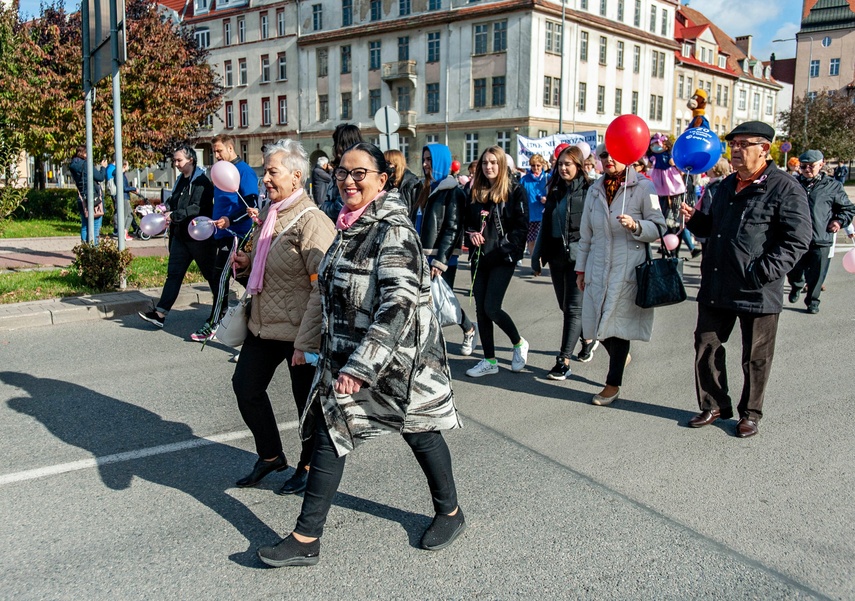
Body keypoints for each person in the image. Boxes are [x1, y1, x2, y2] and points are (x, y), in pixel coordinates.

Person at [256, 143, 465, 568]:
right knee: (332, 434)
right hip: (347, 360)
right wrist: (305, 343)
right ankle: (306, 536)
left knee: (420, 431)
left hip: (399, 365)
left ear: (382, 179)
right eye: (341, 174)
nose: (348, 181)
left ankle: (450, 512)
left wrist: (362, 364)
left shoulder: (394, 230)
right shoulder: (349, 225)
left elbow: (398, 304)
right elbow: (325, 290)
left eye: (359, 173)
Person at [680, 121, 811, 438]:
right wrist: (696, 220)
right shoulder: (725, 184)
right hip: (718, 282)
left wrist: (762, 272)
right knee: (706, 346)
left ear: (764, 149)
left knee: (756, 357)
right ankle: (713, 405)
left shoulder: (784, 187)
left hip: (757, 289)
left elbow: (798, 240)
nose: (735, 150)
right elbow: (715, 228)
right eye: (733, 144)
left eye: (743, 144)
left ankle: (750, 414)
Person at [230, 139, 335, 495]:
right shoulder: (271, 213)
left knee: (305, 405)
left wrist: (308, 342)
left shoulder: (313, 221)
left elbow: (324, 286)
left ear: (296, 176)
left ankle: (308, 464)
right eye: (264, 172)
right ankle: (271, 455)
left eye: (272, 171)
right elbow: (265, 272)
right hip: (264, 324)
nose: (265, 179)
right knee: (245, 387)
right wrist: (244, 267)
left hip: (298, 332)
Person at [576, 143, 665, 405]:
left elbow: (659, 228)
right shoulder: (594, 189)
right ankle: (620, 357)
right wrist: (580, 269)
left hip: (628, 267)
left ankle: (612, 384)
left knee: (619, 327)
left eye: (615, 154)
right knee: (594, 327)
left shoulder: (644, 187)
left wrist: (637, 225)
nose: (609, 159)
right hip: (597, 266)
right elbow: (585, 236)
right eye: (604, 155)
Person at [532, 145, 597, 380]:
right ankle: (589, 339)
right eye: (560, 164)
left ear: (579, 166)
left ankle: (563, 361)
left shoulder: (590, 190)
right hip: (557, 257)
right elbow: (545, 225)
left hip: (580, 258)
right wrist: (537, 256)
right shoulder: (556, 190)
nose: (562, 168)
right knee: (565, 307)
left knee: (572, 310)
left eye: (567, 164)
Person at [463, 145, 529, 377]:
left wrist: (503, 247)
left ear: (501, 165)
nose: (488, 166)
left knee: (492, 307)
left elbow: (522, 228)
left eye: (493, 162)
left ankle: (518, 342)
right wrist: (470, 235)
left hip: (502, 257)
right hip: (479, 256)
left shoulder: (515, 191)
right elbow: (465, 225)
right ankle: (489, 360)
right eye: (484, 162)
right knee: (481, 311)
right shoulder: (474, 191)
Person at [139, 145, 218, 328]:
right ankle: (160, 314)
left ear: (190, 160)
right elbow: (174, 200)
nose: (175, 164)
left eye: (179, 160)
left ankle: (221, 310)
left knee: (211, 276)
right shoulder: (180, 180)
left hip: (199, 239)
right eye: (174, 160)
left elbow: (198, 208)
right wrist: (164, 207)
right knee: (173, 275)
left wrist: (174, 215)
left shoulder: (202, 182)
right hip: (180, 237)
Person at [411, 144, 477, 355]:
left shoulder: (453, 191)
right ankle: (428, 345)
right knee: (426, 302)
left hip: (441, 257)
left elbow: (452, 228)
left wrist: (441, 260)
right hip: (422, 254)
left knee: (443, 299)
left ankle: (468, 328)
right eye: (424, 159)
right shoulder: (425, 188)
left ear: (440, 161)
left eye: (430, 159)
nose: (425, 164)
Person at [194, 134, 259, 342]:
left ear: (231, 149)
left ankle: (215, 323)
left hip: (237, 234)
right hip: (221, 233)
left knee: (219, 277)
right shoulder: (220, 171)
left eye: (219, 150)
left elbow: (252, 204)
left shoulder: (244, 171)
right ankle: (259, 311)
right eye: (214, 151)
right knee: (243, 278)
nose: (216, 155)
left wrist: (230, 220)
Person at [786, 150, 854, 314]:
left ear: (821, 164)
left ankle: (812, 301)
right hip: (795, 238)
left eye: (811, 166)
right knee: (793, 270)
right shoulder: (792, 184)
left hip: (821, 238)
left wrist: (838, 221)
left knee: (817, 275)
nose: (807, 170)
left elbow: (847, 209)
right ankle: (796, 285)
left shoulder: (833, 186)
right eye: (803, 166)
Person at [320, 123, 364, 221]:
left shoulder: (348, 172)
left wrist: (322, 208)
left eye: (335, 143)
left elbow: (342, 205)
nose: (333, 148)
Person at [68, 145, 108, 244]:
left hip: (82, 197)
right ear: (84, 153)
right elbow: (100, 177)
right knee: (95, 226)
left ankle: (85, 250)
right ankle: (94, 251)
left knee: (85, 225)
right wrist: (103, 167)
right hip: (93, 198)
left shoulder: (73, 164)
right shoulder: (86, 164)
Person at [520, 154, 548, 257]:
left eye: (538, 165)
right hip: (529, 215)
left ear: (542, 165)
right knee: (531, 241)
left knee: (540, 241)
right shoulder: (524, 180)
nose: (535, 168)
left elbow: (554, 195)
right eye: (533, 166)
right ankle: (534, 263)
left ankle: (539, 261)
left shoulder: (547, 178)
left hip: (543, 215)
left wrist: (547, 199)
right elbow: (520, 196)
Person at [109, 161, 137, 241]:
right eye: (128, 165)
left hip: (123, 197)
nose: (129, 167)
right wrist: (134, 188)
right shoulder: (120, 175)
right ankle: (124, 233)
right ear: (124, 166)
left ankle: (125, 231)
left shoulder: (119, 175)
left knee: (130, 215)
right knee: (126, 215)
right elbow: (124, 188)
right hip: (123, 197)